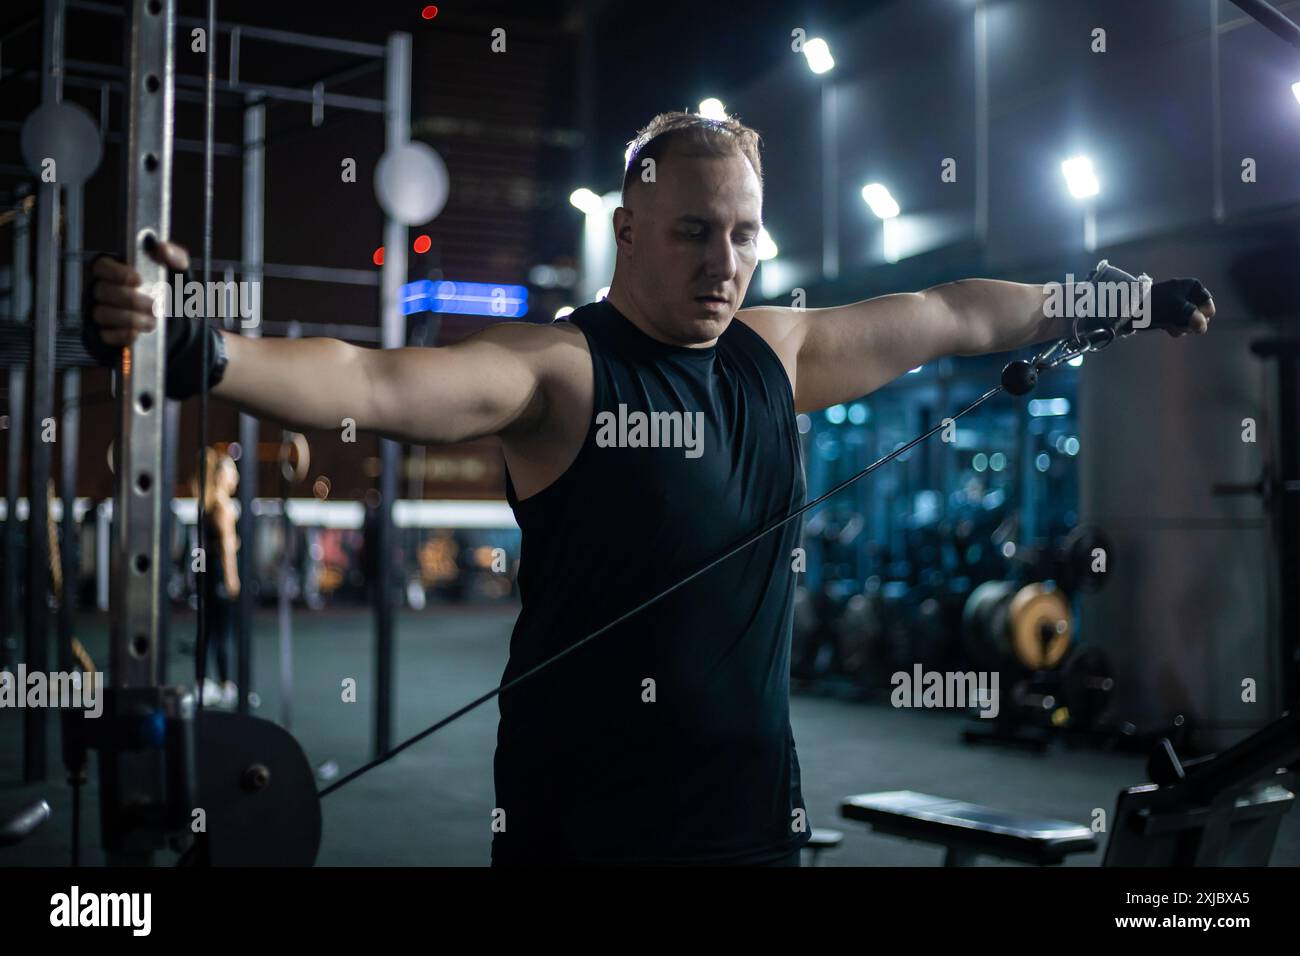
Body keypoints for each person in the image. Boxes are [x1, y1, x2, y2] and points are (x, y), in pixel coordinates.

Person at [85, 110, 1213, 865]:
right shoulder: (561, 371)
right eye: (690, 232)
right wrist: (212, 353)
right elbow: (377, 382)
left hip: (750, 816)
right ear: (626, 229)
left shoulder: (779, 357)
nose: (722, 260)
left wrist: (1113, 299)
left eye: (741, 234)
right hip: (582, 825)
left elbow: (960, 313)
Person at [190, 447, 241, 709]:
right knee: (223, 632)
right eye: (233, 473)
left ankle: (201, 683)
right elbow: (227, 546)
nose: (237, 478)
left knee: (207, 630)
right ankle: (226, 685)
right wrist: (232, 578)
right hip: (219, 574)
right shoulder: (224, 506)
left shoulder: (208, 503)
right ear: (221, 476)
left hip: (207, 574)